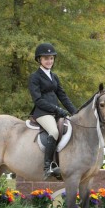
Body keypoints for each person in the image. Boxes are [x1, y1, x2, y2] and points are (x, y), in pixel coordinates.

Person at [28, 43, 77, 180]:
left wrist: (75, 112)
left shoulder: (54, 77)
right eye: (46, 58)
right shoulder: (35, 77)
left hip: (55, 112)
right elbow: (38, 100)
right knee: (54, 132)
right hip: (42, 112)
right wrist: (57, 109)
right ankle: (47, 166)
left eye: (51, 58)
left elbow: (63, 96)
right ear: (39, 60)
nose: (49, 61)